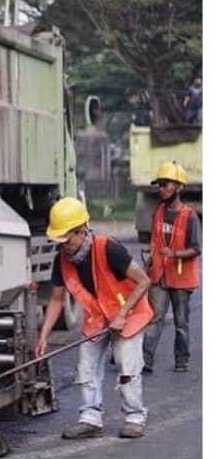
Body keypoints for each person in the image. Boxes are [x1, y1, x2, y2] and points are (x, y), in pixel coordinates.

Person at [36, 196, 152, 440]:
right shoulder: (63, 259)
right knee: (85, 367)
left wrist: (121, 315)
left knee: (126, 366)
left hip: (128, 314)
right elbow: (56, 300)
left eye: (65, 240)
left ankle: (134, 417)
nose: (62, 246)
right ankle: (90, 417)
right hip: (98, 318)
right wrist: (44, 336)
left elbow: (144, 280)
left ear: (80, 232)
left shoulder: (108, 248)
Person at [142, 162, 201, 374]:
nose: (161, 188)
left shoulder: (190, 216)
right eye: (159, 184)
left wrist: (174, 254)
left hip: (181, 278)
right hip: (159, 275)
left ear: (178, 187)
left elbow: (196, 248)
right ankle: (144, 361)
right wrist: (150, 260)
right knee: (154, 319)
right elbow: (155, 241)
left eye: (165, 184)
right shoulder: (158, 212)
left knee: (181, 323)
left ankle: (182, 361)